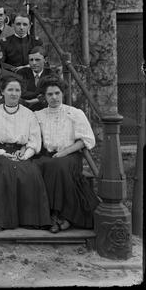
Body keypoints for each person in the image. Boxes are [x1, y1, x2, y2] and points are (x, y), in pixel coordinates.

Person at [0, 76, 51, 234]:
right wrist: (3, 153)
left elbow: (34, 141)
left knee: (30, 172)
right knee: (4, 169)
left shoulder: (28, 114)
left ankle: (20, 220)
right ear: (2, 92)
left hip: (21, 152)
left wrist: (25, 154)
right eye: (10, 90)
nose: (14, 93)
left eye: (17, 90)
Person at [34, 76, 99, 233]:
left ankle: (59, 215)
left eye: (57, 93)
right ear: (44, 96)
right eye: (50, 94)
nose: (54, 97)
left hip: (70, 154)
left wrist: (64, 152)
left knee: (58, 166)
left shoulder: (74, 113)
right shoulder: (38, 115)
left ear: (62, 93)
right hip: (48, 155)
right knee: (40, 166)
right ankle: (50, 216)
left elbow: (86, 140)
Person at [19, 46, 53, 111]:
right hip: (25, 109)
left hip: (45, 110)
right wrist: (40, 95)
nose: (34, 63)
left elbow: (52, 94)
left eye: (37, 60)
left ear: (45, 60)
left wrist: (40, 98)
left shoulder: (50, 74)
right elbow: (21, 93)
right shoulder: (22, 73)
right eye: (31, 60)